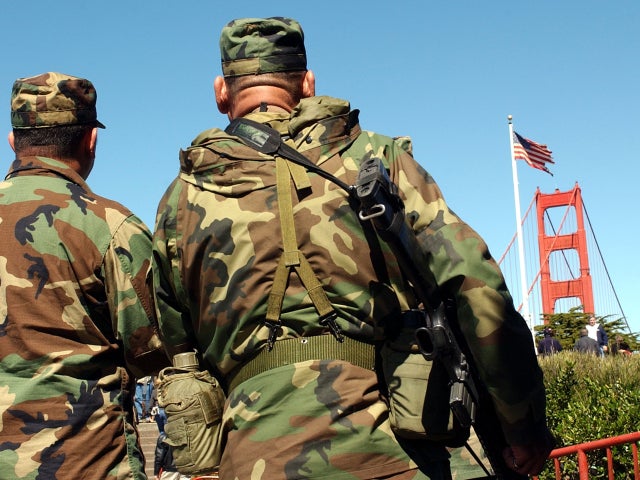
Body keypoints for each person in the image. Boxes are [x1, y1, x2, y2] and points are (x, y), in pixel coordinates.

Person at [152, 17, 553, 479]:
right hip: (395, 450)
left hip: (253, 459)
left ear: (221, 92)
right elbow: (477, 287)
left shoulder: (178, 202)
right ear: (307, 83)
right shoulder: (380, 159)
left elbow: (175, 352)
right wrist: (523, 429)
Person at [0, 72, 169, 479]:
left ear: (12, 140)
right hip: (86, 462)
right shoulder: (111, 226)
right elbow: (152, 349)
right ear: (91, 141)